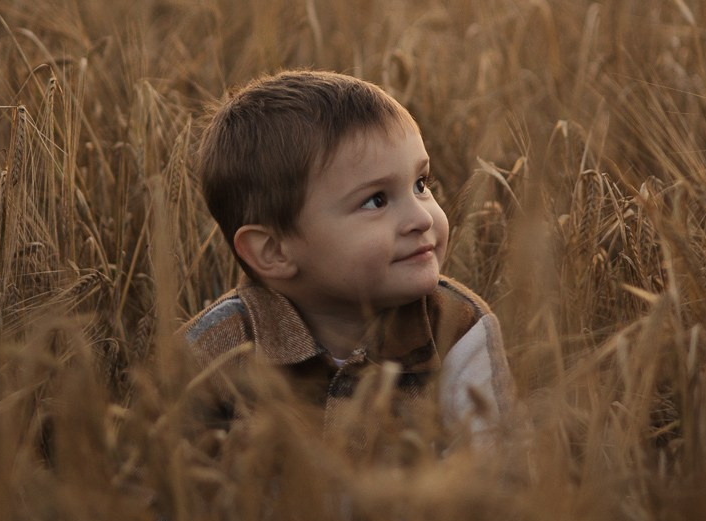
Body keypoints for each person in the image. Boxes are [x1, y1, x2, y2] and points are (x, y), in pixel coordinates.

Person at [182, 70, 513, 442]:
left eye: (421, 184)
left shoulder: (458, 329)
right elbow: (159, 481)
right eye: (376, 200)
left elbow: (497, 475)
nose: (422, 218)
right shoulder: (219, 349)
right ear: (273, 251)